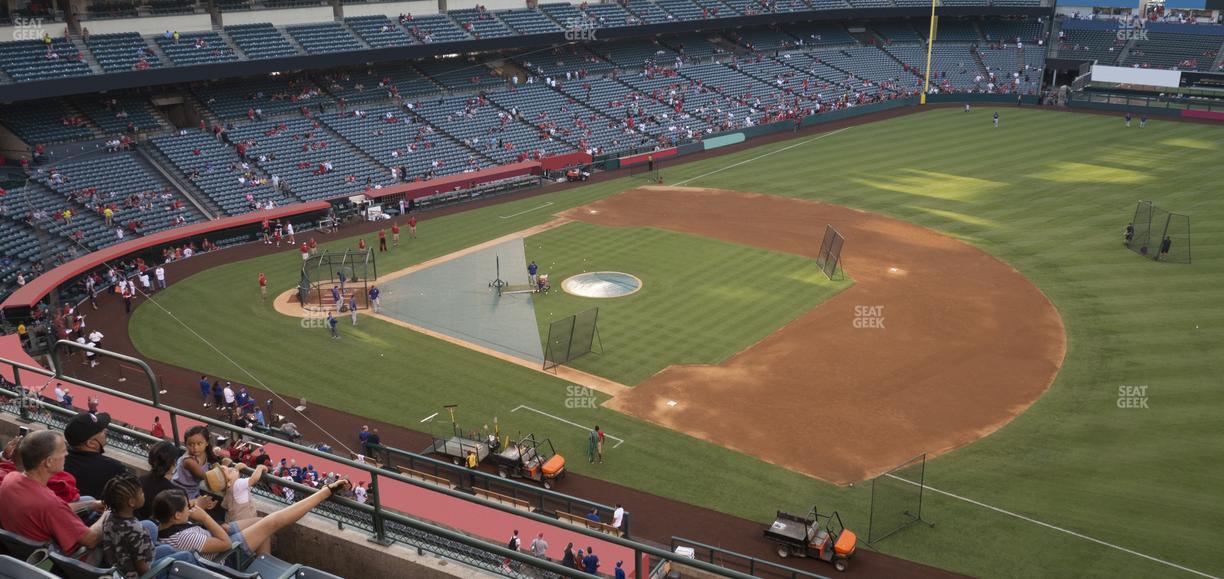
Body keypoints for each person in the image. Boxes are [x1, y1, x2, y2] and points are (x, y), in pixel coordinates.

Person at [153, 478, 351, 560]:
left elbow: (200, 537)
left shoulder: (165, 527)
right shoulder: (182, 538)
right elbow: (225, 544)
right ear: (177, 515)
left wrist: (212, 526)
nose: (191, 508)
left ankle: (263, 562)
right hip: (227, 557)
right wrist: (205, 517)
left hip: (214, 543)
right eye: (186, 508)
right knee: (273, 522)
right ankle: (325, 492)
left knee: (261, 522)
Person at [0, 431, 108, 553]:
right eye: (63, 451)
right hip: (54, 561)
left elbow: (53, 510)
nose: (67, 454)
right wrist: (108, 512)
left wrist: (91, 505)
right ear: (48, 461)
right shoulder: (49, 503)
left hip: (17, 548)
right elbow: (91, 539)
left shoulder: (11, 478)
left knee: (89, 500)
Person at [64, 411, 130, 500]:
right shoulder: (114, 468)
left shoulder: (60, 461)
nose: (106, 430)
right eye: (101, 431)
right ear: (91, 443)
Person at [172, 426, 217, 500]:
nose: (195, 448)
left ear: (207, 443)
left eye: (199, 444)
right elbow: (207, 478)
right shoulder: (189, 461)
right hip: (179, 494)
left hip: (192, 491)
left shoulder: (205, 453)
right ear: (185, 444)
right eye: (191, 444)